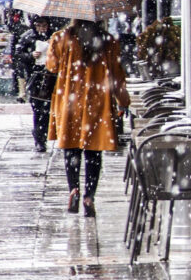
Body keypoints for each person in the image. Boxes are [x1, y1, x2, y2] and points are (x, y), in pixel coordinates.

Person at [46, 19, 131, 218]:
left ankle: (73, 189)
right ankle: (89, 196)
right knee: (93, 152)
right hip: (97, 102)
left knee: (71, 148)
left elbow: (52, 66)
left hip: (70, 101)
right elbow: (117, 77)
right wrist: (123, 101)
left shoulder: (60, 38)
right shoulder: (108, 41)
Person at [14, 16, 56, 152]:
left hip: (52, 75)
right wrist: (30, 56)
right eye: (39, 25)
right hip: (36, 76)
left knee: (48, 109)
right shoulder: (27, 36)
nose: (42, 28)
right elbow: (18, 54)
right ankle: (39, 137)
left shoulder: (55, 35)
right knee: (38, 108)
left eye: (44, 25)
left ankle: (43, 133)